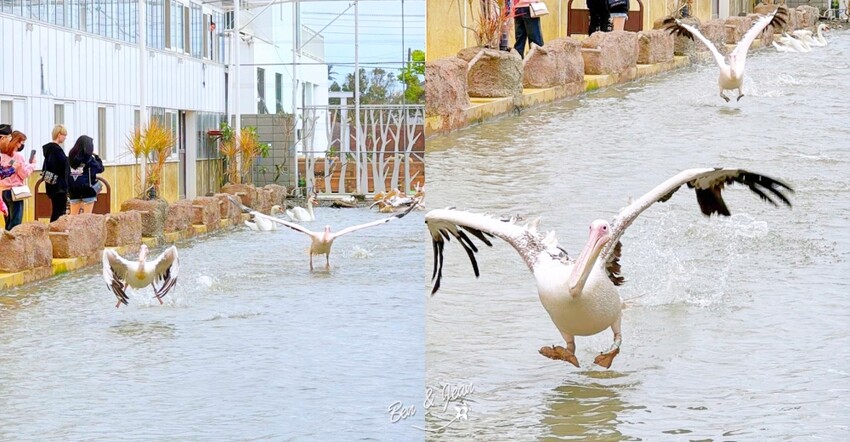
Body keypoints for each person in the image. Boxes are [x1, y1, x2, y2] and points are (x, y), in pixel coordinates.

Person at [0, 131, 34, 231]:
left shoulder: (2, 156)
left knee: (8, 220)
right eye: (21, 142)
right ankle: (13, 245)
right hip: (15, 191)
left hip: (4, 191)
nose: (21, 145)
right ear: (16, 142)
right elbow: (23, 174)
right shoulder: (18, 156)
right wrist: (32, 165)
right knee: (16, 222)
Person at [67, 135, 104, 216]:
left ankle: (71, 229)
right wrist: (97, 158)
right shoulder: (89, 158)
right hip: (88, 189)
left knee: (73, 217)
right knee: (86, 217)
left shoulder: (70, 158)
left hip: (73, 189)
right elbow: (100, 169)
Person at [42, 124, 71, 222]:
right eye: (64, 135)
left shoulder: (49, 150)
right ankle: (55, 232)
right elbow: (61, 166)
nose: (65, 138)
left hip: (52, 184)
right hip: (59, 186)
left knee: (57, 210)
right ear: (59, 135)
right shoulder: (56, 150)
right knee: (59, 211)